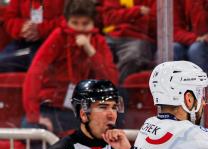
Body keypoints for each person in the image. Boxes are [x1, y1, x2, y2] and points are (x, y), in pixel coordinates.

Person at [22, 0, 119, 135]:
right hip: (52, 107)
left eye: (85, 24)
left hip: (86, 110)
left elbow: (111, 80)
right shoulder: (58, 37)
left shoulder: (98, 42)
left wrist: (90, 50)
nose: (79, 28)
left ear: (93, 23)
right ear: (67, 21)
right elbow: (35, 73)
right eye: (74, 23)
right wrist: (35, 116)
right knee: (30, 127)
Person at [0, 0, 64, 72]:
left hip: (55, 43)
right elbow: (9, 18)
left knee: (42, 68)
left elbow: (69, 19)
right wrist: (23, 27)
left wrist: (41, 29)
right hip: (23, 41)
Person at [101, 0, 156, 84]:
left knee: (133, 57)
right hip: (113, 35)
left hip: (138, 38)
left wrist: (122, 15)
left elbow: (153, 22)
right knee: (97, 51)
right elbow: (109, 18)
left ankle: (116, 90)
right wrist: (137, 11)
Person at [173, 0, 208, 79]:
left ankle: (206, 89)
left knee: (196, 49)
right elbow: (174, 30)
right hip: (191, 40)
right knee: (174, 49)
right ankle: (176, 88)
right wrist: (196, 38)